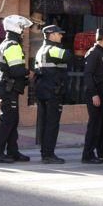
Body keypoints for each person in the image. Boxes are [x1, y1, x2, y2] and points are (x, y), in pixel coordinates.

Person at [0, 14, 33, 164]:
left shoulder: (5, 43)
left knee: (12, 120)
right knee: (7, 121)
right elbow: (16, 70)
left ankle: (12, 151)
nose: (23, 32)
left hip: (7, 87)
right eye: (22, 28)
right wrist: (29, 72)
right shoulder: (13, 45)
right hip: (8, 89)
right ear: (16, 28)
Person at [34, 25, 71, 163]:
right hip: (53, 92)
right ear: (51, 35)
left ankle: (45, 152)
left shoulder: (41, 50)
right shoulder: (54, 49)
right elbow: (69, 56)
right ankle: (49, 154)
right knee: (52, 124)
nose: (61, 36)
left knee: (44, 123)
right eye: (59, 34)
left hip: (43, 91)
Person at [82, 28, 103, 163]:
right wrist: (94, 94)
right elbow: (88, 75)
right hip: (96, 94)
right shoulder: (94, 53)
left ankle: (102, 153)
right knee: (95, 125)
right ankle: (88, 154)